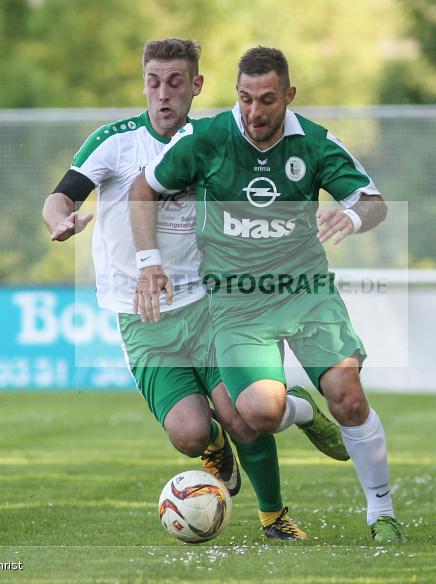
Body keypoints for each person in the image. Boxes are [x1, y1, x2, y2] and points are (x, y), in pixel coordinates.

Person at [42, 39, 329, 540]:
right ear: (144, 85)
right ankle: (214, 447)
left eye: (175, 82)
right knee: (190, 432)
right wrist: (61, 220)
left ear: (196, 85)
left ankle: (274, 516)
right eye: (153, 81)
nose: (163, 93)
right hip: (144, 317)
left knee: (246, 418)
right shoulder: (115, 141)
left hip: (209, 304)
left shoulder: (216, 139)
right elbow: (60, 196)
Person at [130, 46, 404, 543]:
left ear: (289, 96)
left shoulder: (315, 143)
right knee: (259, 413)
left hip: (306, 293)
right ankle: (297, 408)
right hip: (236, 303)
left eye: (267, 100)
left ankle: (381, 512)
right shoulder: (208, 138)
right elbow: (143, 188)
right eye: (245, 99)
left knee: (347, 397)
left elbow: (374, 202)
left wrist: (353, 215)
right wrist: (149, 264)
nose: (254, 112)